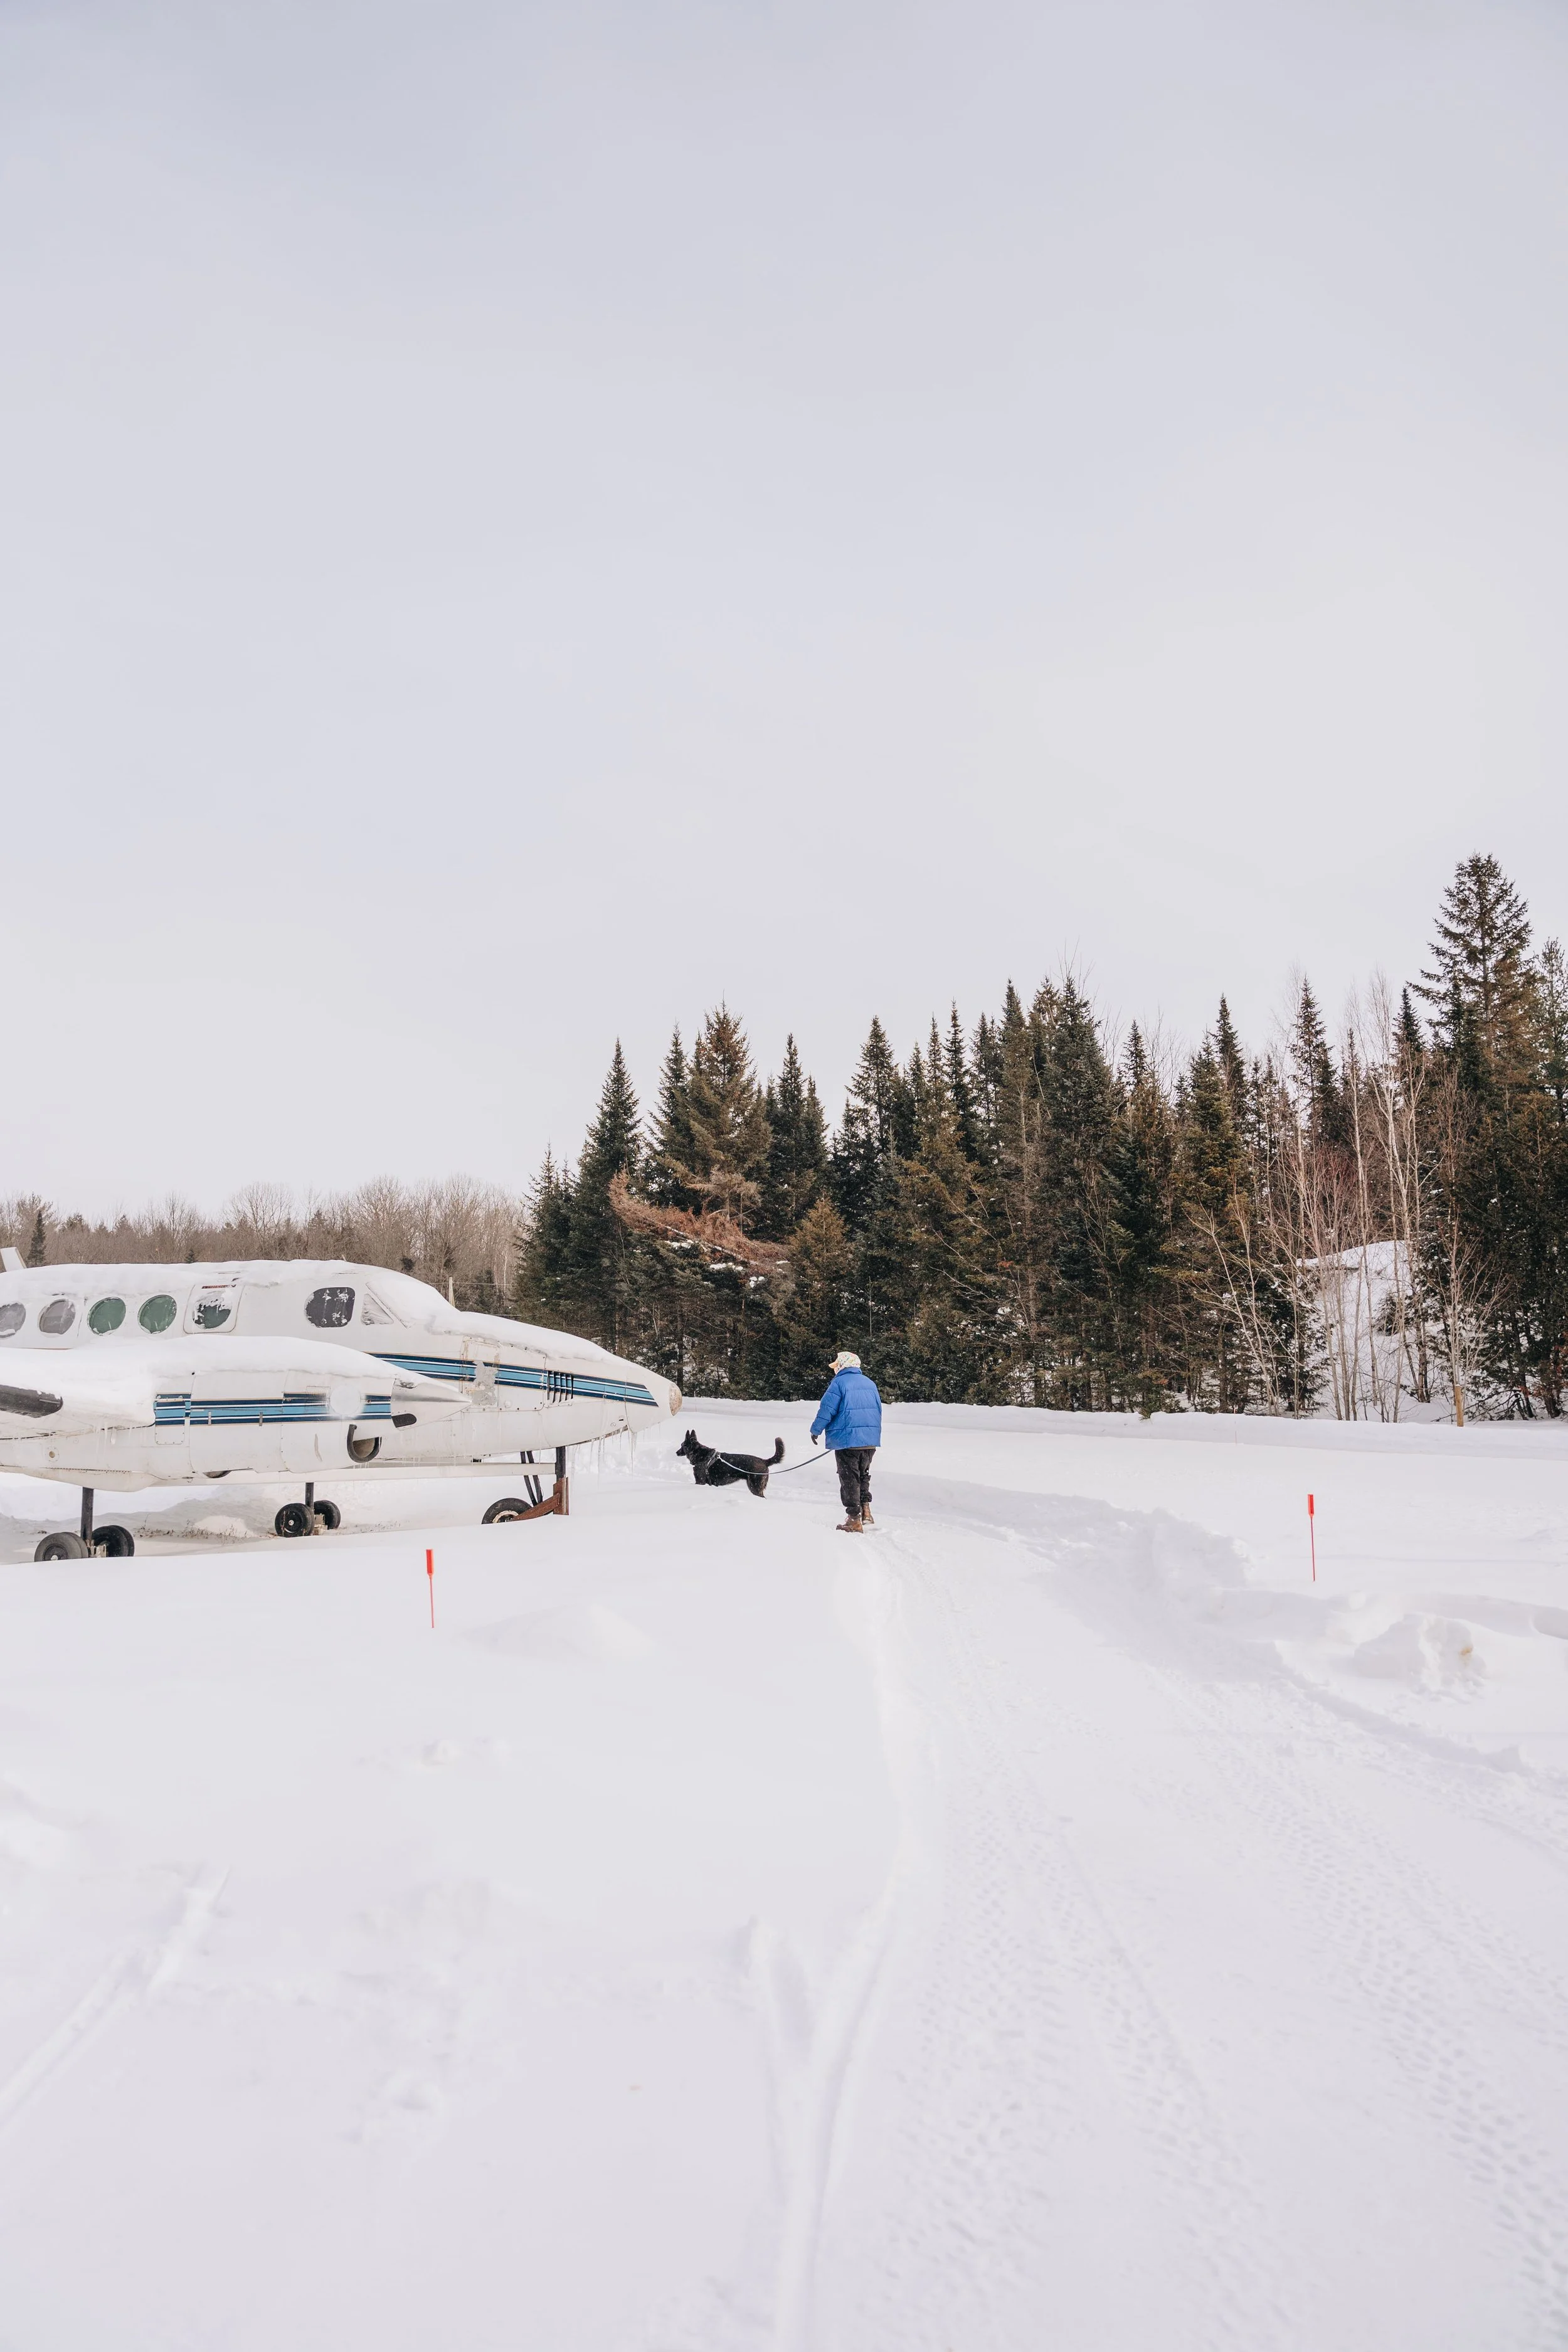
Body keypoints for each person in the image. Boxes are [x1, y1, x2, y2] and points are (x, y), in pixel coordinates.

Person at [809, 1349, 882, 1534]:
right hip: (869, 1441)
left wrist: (816, 1430)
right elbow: (878, 1411)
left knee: (849, 1478)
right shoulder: (870, 1383)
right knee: (863, 1475)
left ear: (843, 1365)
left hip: (848, 1441)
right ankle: (866, 1511)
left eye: (836, 1366)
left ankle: (854, 1519)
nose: (835, 1369)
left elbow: (827, 1409)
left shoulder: (839, 1383)